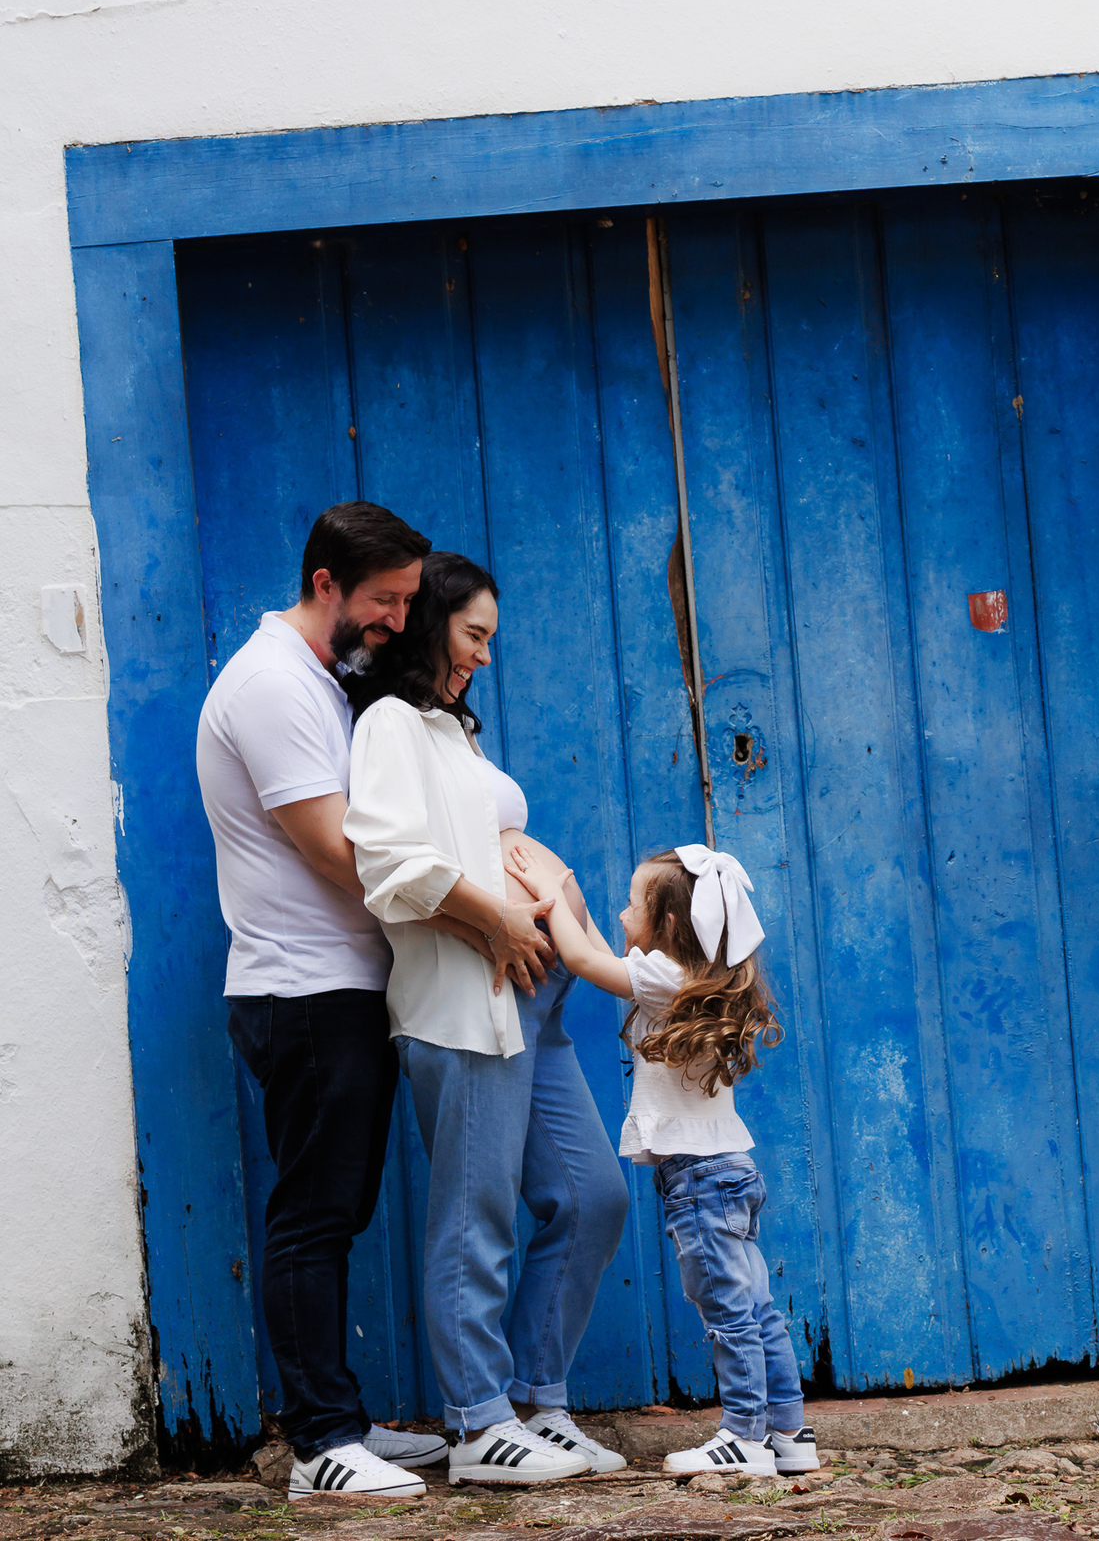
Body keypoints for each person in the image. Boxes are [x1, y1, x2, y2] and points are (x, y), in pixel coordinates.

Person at [343, 552, 630, 1486]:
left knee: (591, 1197)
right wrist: (500, 917)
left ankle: (540, 1405)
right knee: (476, 1219)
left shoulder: (447, 729)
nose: (484, 656)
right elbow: (388, 863)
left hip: (533, 1004)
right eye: (474, 635)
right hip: (464, 1006)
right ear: (431, 624)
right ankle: (476, 1426)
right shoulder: (390, 724)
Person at [197, 501, 449, 1504]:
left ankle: (338, 1416)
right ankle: (321, 1445)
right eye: (385, 600)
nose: (398, 620)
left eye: (408, 602)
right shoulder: (271, 685)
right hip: (302, 989)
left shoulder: (317, 679)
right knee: (312, 1214)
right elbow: (336, 849)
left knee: (335, 1210)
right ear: (325, 585)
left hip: (338, 985)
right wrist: (462, 907)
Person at [506, 841, 822, 1479]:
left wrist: (552, 889)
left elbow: (581, 957)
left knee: (726, 1310)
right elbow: (602, 949)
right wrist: (568, 900)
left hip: (699, 1182)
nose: (622, 915)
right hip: (730, 1170)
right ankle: (789, 1433)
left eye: (632, 905)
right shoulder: (695, 980)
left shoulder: (662, 980)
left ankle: (743, 1436)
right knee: (756, 1306)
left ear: (669, 925)